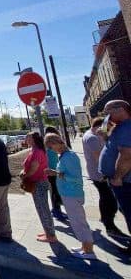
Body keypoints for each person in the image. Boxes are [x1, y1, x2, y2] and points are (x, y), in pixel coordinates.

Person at [45, 133, 96, 260]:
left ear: (57, 142)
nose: (52, 150)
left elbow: (75, 178)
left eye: (51, 147)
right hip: (69, 193)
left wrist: (56, 173)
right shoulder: (65, 156)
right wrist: (56, 173)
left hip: (72, 193)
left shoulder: (69, 157)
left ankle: (89, 251)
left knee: (79, 222)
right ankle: (85, 246)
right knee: (76, 221)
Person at [83, 117, 128, 239]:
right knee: (109, 200)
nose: (109, 129)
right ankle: (109, 225)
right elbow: (99, 158)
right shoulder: (92, 138)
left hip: (97, 173)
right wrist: (105, 173)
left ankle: (105, 219)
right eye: (108, 127)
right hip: (100, 175)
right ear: (99, 126)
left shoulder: (92, 135)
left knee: (106, 198)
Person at [99, 100, 131, 256]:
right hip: (120, 180)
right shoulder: (118, 127)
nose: (106, 116)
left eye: (108, 112)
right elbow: (107, 141)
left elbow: (127, 155)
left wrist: (118, 177)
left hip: (124, 181)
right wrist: (106, 131)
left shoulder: (126, 127)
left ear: (120, 110)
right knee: (124, 209)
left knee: (129, 211)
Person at [20, 132, 57, 243]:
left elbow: (33, 168)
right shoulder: (34, 150)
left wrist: (24, 175)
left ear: (33, 140)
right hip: (38, 182)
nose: (26, 139)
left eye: (28, 138)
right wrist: (24, 171)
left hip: (39, 183)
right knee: (41, 208)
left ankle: (51, 235)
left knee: (43, 209)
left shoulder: (37, 151)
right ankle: (48, 231)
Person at [45, 126, 68, 221]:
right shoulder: (49, 146)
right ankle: (56, 210)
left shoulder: (49, 146)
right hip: (51, 171)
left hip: (54, 170)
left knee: (55, 191)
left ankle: (57, 209)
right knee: (55, 191)